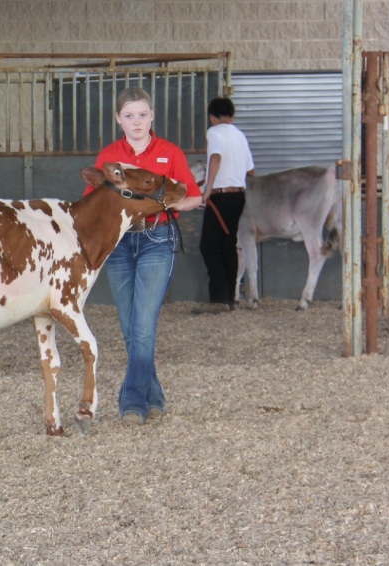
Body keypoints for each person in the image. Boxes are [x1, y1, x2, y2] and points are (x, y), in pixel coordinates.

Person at [83, 87, 202, 425]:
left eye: (143, 115)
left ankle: (131, 402)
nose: (137, 122)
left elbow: (194, 197)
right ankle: (155, 397)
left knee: (144, 323)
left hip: (157, 238)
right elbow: (96, 201)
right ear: (118, 119)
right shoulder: (109, 155)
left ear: (152, 116)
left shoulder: (170, 153)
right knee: (130, 327)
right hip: (120, 242)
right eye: (129, 115)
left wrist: (166, 202)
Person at [193, 96, 255, 315]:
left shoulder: (214, 132)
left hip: (219, 196)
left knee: (208, 246)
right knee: (228, 245)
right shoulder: (240, 135)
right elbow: (251, 171)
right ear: (232, 116)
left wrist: (207, 190)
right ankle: (230, 298)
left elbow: (216, 158)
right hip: (239, 196)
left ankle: (218, 299)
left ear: (211, 117)